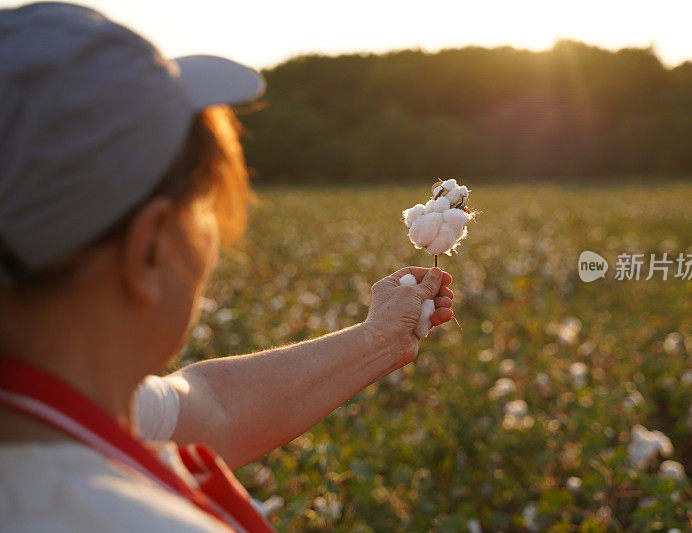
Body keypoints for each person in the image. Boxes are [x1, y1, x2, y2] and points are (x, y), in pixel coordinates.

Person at [0, 3, 455, 531]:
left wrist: (380, 337)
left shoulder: (70, 395)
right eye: (203, 208)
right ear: (148, 250)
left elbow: (212, 410)